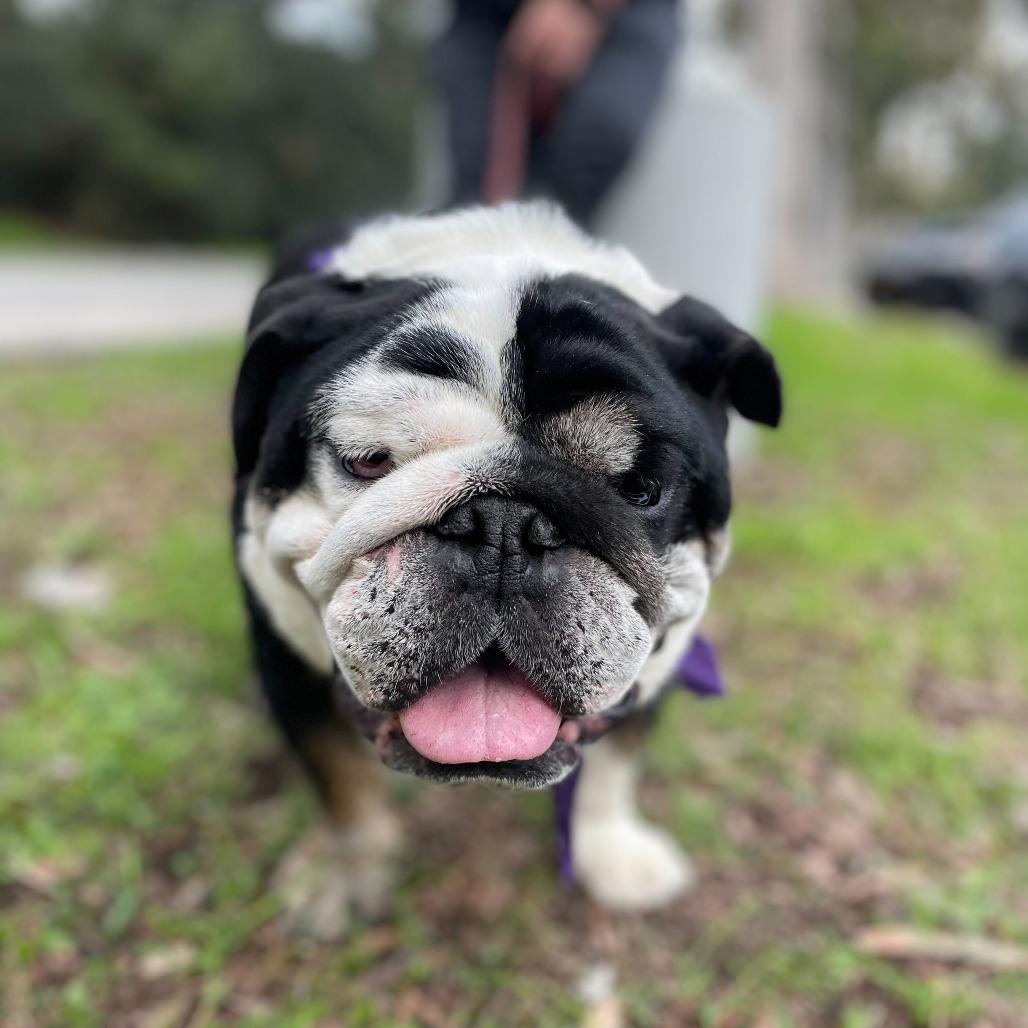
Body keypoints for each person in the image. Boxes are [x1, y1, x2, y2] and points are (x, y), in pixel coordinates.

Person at [434, 0, 683, 226]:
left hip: (628, 17)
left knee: (598, 137)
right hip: (491, 19)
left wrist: (583, 7)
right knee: (477, 198)